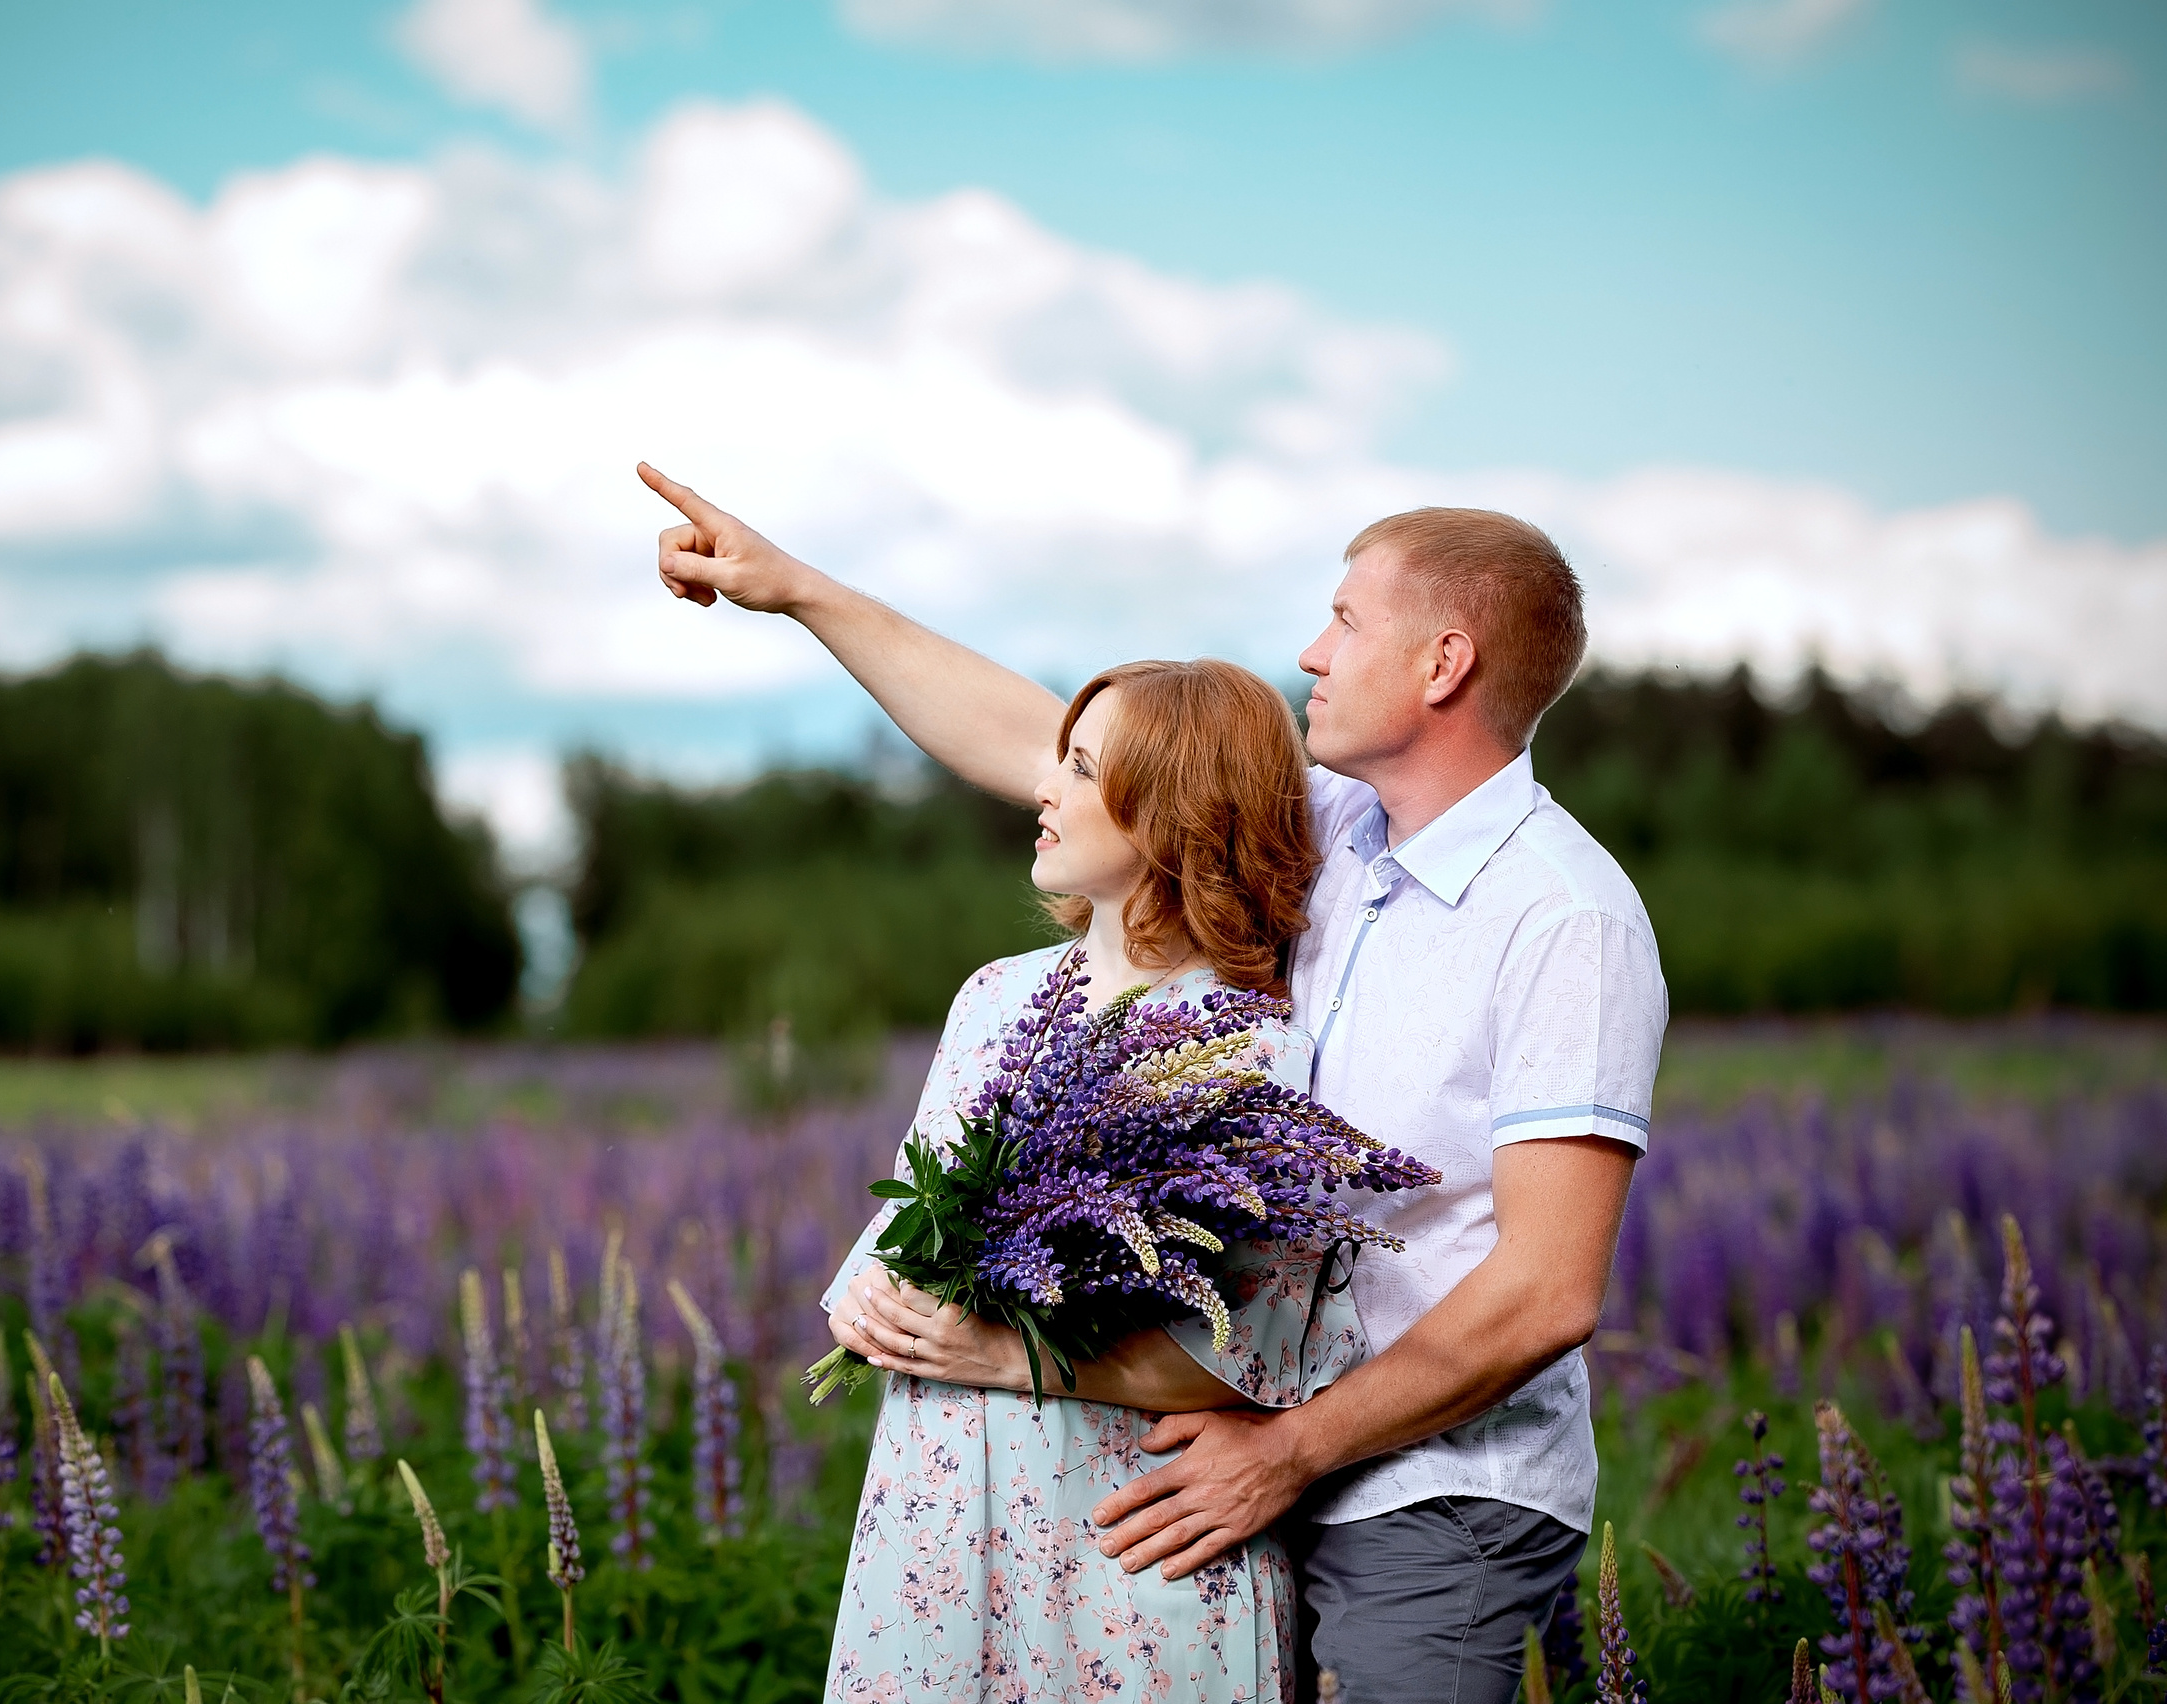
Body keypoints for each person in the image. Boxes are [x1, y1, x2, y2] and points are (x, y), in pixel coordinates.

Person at [638, 462, 1670, 1704]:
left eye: (1346, 620)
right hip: (1235, 1450)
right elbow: (1064, 753)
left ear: (1443, 663)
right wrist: (796, 589)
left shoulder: (1564, 918)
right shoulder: (1340, 830)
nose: (1311, 650)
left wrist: (1288, 1446)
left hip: (1429, 1492)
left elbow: (1546, 1293)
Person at [818, 656, 1366, 1702]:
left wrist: (997, 1351)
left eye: (1077, 767)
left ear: (1170, 816)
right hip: (934, 1523)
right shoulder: (994, 999)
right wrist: (878, 1303)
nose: (1042, 788)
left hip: (1121, 1547)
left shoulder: (1245, 1050)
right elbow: (899, 1241)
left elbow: (1257, 1360)